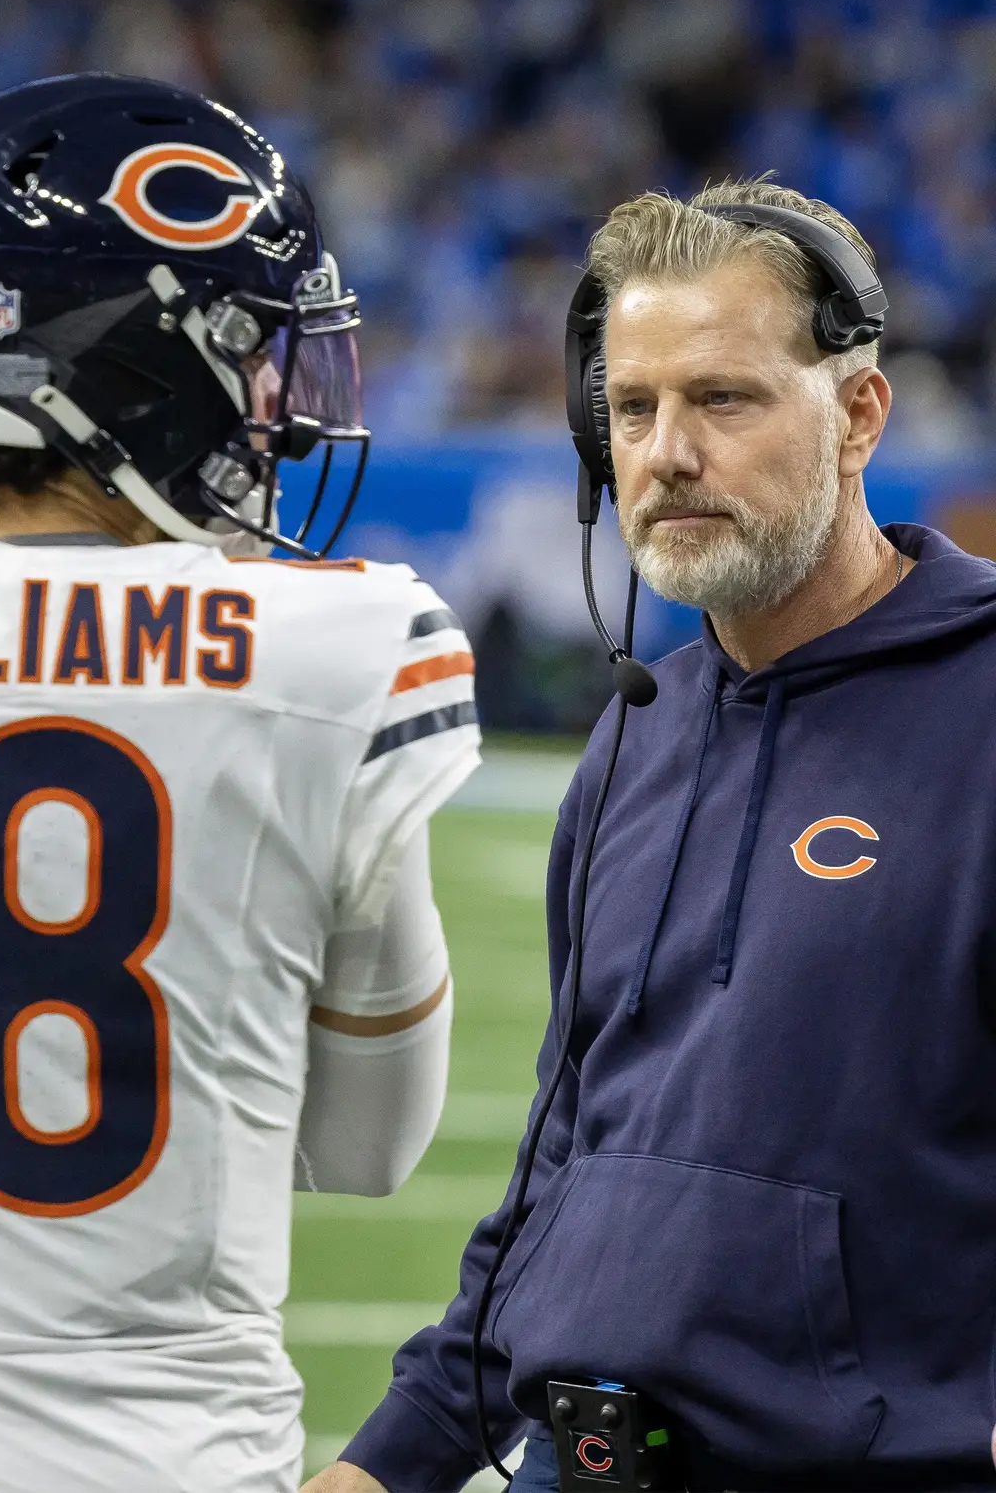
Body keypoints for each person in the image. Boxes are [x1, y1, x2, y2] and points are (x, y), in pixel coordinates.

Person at [0, 75, 479, 1493]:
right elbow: (367, 1141)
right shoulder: (334, 650)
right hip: (162, 1453)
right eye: (246, 349)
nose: (273, 408)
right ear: (116, 363)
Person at [305, 178, 996, 1493]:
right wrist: (383, 1466)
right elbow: (561, 1174)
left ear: (858, 413)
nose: (667, 450)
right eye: (632, 407)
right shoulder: (636, 733)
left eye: (722, 398)